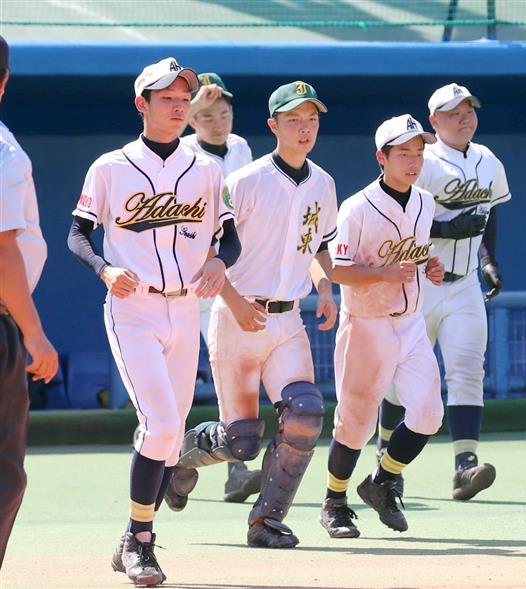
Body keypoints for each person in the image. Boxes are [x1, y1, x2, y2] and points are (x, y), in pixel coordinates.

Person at [67, 57, 241, 586]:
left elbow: (229, 237)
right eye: (166, 96)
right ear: (142, 103)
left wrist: (218, 261)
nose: (177, 103)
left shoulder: (208, 171)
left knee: (166, 434)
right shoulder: (110, 166)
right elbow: (77, 234)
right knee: (164, 425)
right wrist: (103, 266)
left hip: (185, 305)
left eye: (183, 95)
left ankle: (130, 533)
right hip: (134, 307)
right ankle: (143, 542)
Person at [167, 80, 338, 549]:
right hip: (236, 316)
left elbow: (319, 245)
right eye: (294, 120)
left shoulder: (323, 182)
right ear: (273, 125)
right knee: (240, 439)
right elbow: (209, 251)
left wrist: (325, 288)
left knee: (305, 413)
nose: (305, 129)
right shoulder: (243, 181)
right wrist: (238, 304)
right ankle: (178, 460)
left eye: (312, 119)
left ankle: (266, 521)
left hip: (287, 322)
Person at [377, 83, 511, 501]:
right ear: (433, 120)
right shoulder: (422, 160)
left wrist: (488, 260)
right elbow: (393, 214)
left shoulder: (489, 160)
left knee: (468, 369)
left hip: (465, 283)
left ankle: (465, 465)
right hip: (419, 283)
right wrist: (444, 229)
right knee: (402, 383)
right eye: (453, 112)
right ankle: (386, 458)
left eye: (469, 109)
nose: (464, 117)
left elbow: (488, 216)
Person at [319, 114, 445, 539]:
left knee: (428, 414)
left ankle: (382, 480)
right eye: (403, 153)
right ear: (382, 157)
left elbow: (415, 253)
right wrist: (384, 273)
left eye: (419, 152)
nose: (413, 161)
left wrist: (430, 265)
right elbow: (337, 271)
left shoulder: (425, 202)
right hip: (367, 325)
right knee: (354, 422)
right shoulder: (357, 207)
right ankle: (334, 502)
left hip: (410, 324)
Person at [171, 71, 260, 507]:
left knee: (233, 371)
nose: (217, 121)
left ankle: (236, 469)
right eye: (205, 114)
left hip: (230, 272)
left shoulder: (241, 147)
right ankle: (169, 460)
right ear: (189, 119)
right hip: (188, 278)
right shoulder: (181, 151)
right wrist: (189, 107)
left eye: (223, 111)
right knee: (178, 383)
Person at [0, 34, 59, 569]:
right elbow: (2, 248)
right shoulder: (1, 148)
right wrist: (34, 332)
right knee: (3, 472)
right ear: (4, 82)